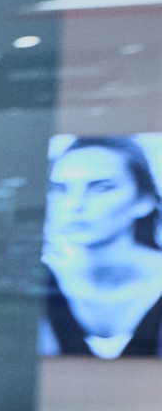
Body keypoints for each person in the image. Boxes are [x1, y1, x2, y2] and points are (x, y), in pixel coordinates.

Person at [40, 136, 162, 359]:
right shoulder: (37, 282)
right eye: (60, 188)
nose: (74, 204)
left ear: (143, 200)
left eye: (101, 188)